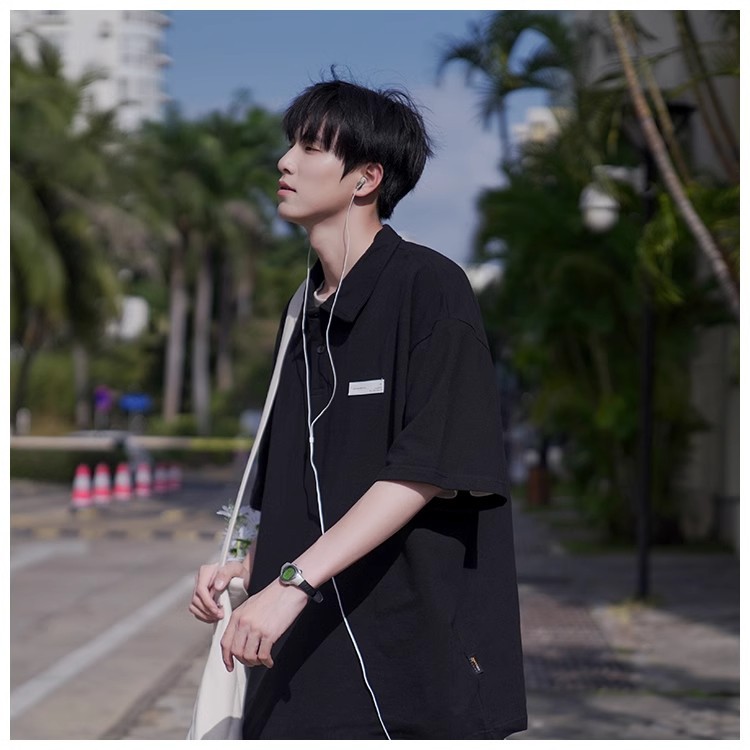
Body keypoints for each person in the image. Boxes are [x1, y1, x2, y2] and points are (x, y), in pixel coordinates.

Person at [189, 76, 527, 740]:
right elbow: (299, 485)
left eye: (310, 147)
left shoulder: (430, 289)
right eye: (290, 144)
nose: (285, 162)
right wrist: (250, 565)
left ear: (366, 178)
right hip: (297, 666)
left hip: (409, 666)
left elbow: (424, 470)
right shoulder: (300, 312)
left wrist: (291, 583)